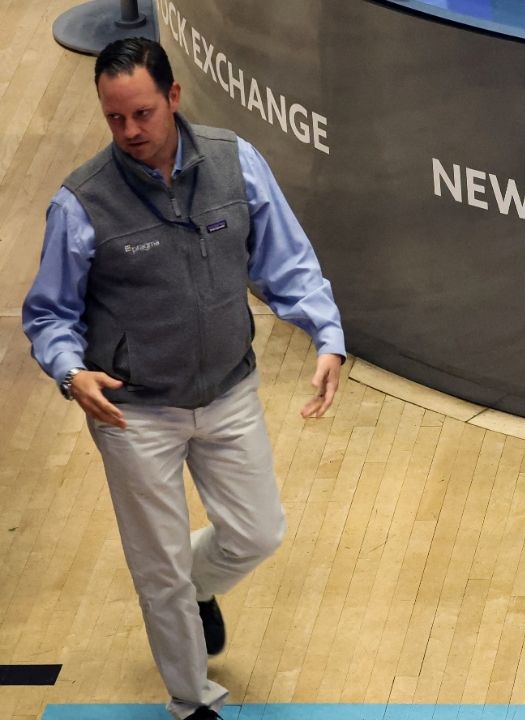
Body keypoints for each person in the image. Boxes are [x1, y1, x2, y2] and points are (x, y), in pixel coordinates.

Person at [22, 37, 345, 720]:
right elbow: (49, 314)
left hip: (229, 389)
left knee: (257, 533)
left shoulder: (237, 163)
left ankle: (199, 590)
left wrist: (327, 334)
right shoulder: (79, 204)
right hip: (131, 412)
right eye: (114, 119)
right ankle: (192, 699)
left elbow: (286, 261)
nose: (130, 132)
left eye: (141, 113)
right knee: (158, 567)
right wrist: (70, 372)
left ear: (173, 96)